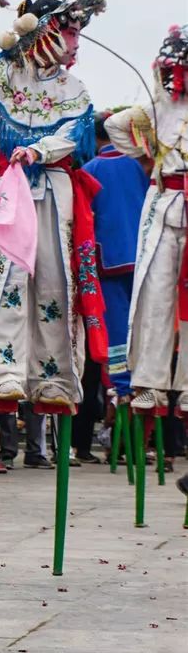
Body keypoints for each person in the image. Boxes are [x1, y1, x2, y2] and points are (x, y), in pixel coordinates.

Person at [0, 0, 118, 413]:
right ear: (44, 32)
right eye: (69, 30)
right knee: (8, 277)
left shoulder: (73, 89)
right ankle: (3, 375)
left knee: (55, 280)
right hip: (14, 190)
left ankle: (53, 379)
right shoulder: (2, 74)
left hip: (56, 190)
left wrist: (38, 150)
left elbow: (73, 131)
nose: (76, 41)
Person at [105, 25, 188, 413]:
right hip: (165, 202)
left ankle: (186, 387)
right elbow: (114, 127)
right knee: (155, 294)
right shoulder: (157, 108)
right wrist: (149, 149)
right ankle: (150, 383)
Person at [78, 112, 150, 460]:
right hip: (141, 256)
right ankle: (141, 394)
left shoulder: (91, 170)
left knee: (115, 338)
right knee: (141, 333)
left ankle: (122, 394)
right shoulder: (138, 167)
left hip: (107, 262)